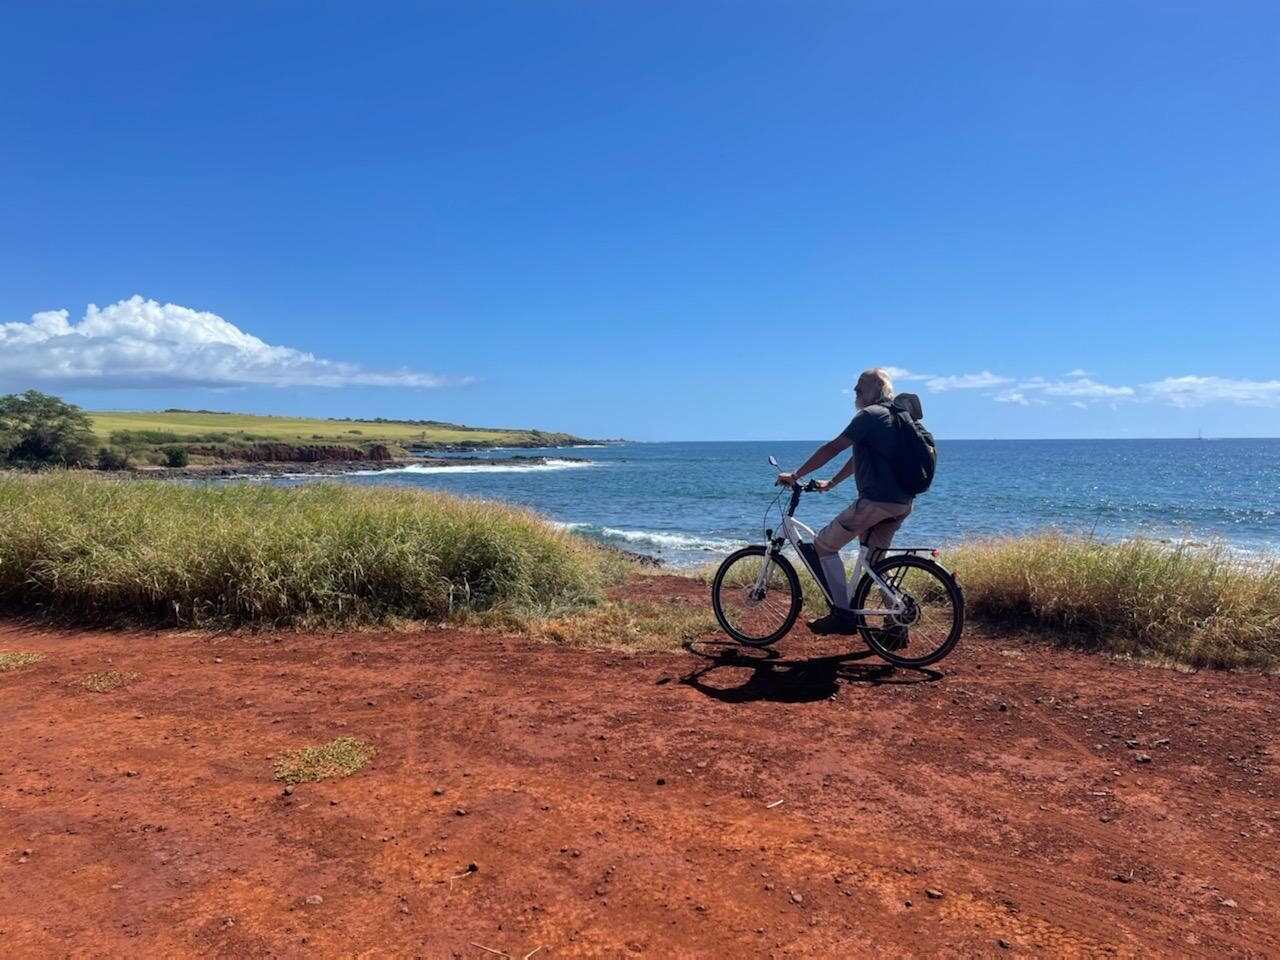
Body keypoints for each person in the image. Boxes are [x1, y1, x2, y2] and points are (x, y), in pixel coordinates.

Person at [774, 367, 913, 634]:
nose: (855, 390)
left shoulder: (870, 415)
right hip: (901, 502)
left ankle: (842, 615)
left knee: (823, 545)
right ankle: (896, 624)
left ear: (877, 388)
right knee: (874, 564)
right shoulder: (896, 418)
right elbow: (858, 458)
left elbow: (832, 448)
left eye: (861, 385)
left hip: (875, 502)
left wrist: (796, 475)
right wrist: (832, 482)